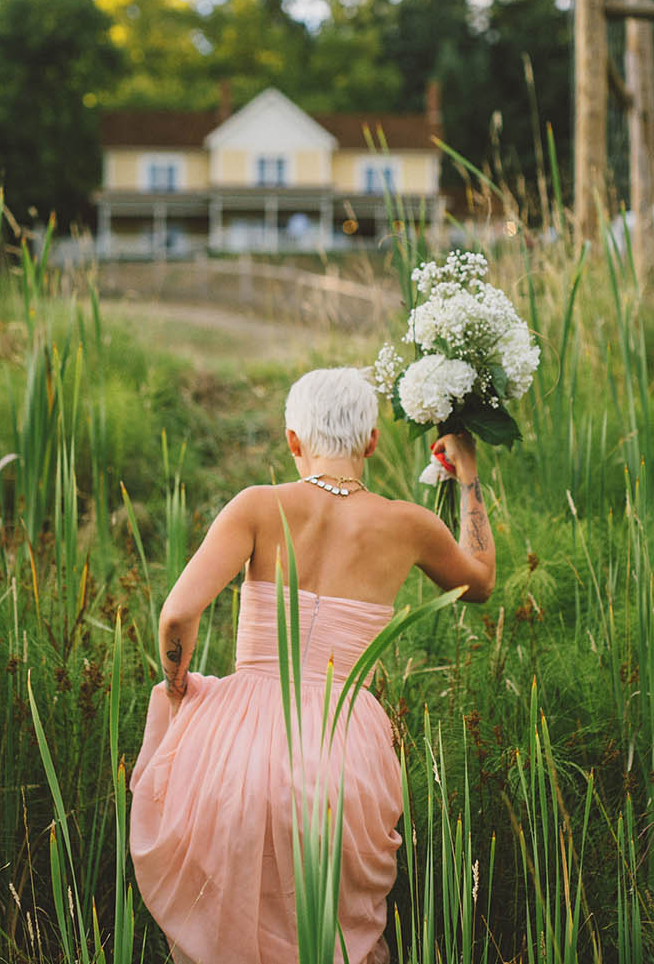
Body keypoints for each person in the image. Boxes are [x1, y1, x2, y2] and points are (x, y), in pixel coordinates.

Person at [128, 367, 496, 964]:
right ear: (372, 442)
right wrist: (469, 471)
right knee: (327, 931)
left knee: (236, 913)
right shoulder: (410, 524)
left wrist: (178, 692)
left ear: (293, 441)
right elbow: (479, 582)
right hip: (344, 745)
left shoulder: (258, 506)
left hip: (237, 744)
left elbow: (176, 617)